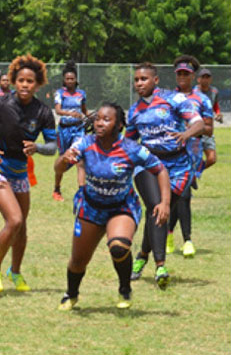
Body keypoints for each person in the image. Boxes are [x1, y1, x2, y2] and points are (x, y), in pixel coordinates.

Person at [55, 102, 170, 310]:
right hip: (90, 208)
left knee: (118, 246)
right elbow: (59, 167)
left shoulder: (132, 149)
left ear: (118, 125)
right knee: (78, 260)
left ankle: (124, 289)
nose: (99, 123)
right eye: (97, 118)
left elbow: (160, 170)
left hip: (121, 207)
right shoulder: (84, 143)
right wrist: (64, 160)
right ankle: (71, 294)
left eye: (106, 119)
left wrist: (164, 203)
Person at [0, 54, 57, 292]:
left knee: (22, 226)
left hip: (20, 172)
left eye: (30, 81)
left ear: (38, 85)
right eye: (21, 80)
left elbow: (53, 146)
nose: (25, 85)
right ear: (14, 82)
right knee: (14, 220)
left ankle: (15, 273)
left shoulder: (43, 112)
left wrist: (38, 147)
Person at [126, 62, 204, 289]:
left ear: (155, 80)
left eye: (144, 79)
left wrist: (186, 133)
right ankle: (161, 266)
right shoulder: (134, 111)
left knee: (161, 213)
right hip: (148, 164)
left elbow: (199, 124)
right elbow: (129, 142)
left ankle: (141, 256)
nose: (139, 83)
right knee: (156, 207)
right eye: (137, 80)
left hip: (179, 165)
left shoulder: (175, 100)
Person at [166, 55, 215, 257]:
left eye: (186, 73)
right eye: (179, 74)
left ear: (193, 76)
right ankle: (168, 234)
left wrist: (191, 129)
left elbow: (209, 129)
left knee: (184, 196)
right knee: (174, 197)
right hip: (170, 154)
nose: (182, 77)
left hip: (191, 155)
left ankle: (187, 241)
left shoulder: (202, 99)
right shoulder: (167, 99)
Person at [51, 61, 88, 202]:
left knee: (80, 160)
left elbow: (84, 110)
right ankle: (57, 188)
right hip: (64, 130)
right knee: (63, 159)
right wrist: (71, 114)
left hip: (79, 129)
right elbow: (58, 110)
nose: (70, 81)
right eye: (67, 79)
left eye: (72, 78)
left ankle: (81, 192)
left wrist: (91, 118)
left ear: (76, 79)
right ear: (64, 80)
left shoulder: (81, 93)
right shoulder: (60, 93)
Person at [196, 68, 220, 170]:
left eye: (208, 77)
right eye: (203, 77)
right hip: (195, 129)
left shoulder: (214, 91)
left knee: (212, 159)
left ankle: (195, 173)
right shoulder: (194, 92)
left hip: (208, 130)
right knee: (193, 159)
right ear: (198, 79)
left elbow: (215, 105)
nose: (205, 80)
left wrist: (218, 114)